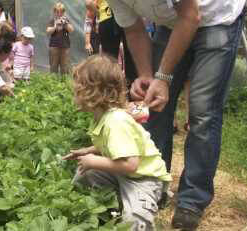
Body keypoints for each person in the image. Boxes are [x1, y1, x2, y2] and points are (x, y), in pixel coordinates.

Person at [104, 0, 246, 229]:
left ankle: (192, 200)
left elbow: (190, 16)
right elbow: (134, 29)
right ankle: (154, 185)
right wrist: (147, 75)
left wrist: (163, 78)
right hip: (171, 23)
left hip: (217, 17)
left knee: (202, 111)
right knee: (155, 107)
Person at [64, 55, 171, 231]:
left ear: (92, 91)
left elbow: (131, 164)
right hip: (124, 172)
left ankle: (141, 207)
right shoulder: (102, 117)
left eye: (77, 90)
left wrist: (93, 161)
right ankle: (105, 207)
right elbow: (111, 145)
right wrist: (87, 151)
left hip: (143, 178)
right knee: (86, 173)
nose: (74, 95)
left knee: (134, 220)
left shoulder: (115, 120)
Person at [85, 0, 137, 84]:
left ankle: (109, 91)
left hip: (106, 16)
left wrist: (98, 14)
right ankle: (132, 91)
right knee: (132, 58)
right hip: (128, 15)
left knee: (109, 60)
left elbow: (89, 3)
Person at [46, 2, 74, 75]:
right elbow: (48, 31)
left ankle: (64, 84)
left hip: (65, 47)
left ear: (64, 12)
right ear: (54, 12)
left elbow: (71, 30)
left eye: (61, 11)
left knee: (65, 68)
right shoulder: (52, 20)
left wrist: (65, 24)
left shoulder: (66, 20)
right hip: (54, 47)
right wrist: (55, 26)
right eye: (57, 11)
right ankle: (53, 84)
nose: (59, 13)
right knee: (53, 67)